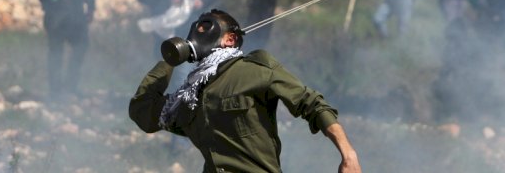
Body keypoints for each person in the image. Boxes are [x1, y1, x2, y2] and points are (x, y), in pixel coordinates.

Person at [129, 9, 362, 173]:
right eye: (195, 28)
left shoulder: (254, 70)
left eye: (207, 27)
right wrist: (170, 59)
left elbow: (312, 104)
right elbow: (143, 113)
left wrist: (348, 155)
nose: (198, 33)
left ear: (230, 39)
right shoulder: (189, 96)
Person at [25, 0, 95, 98]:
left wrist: (91, 6)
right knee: (56, 52)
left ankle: (70, 86)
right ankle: (56, 90)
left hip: (75, 11)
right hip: (54, 11)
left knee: (80, 47)